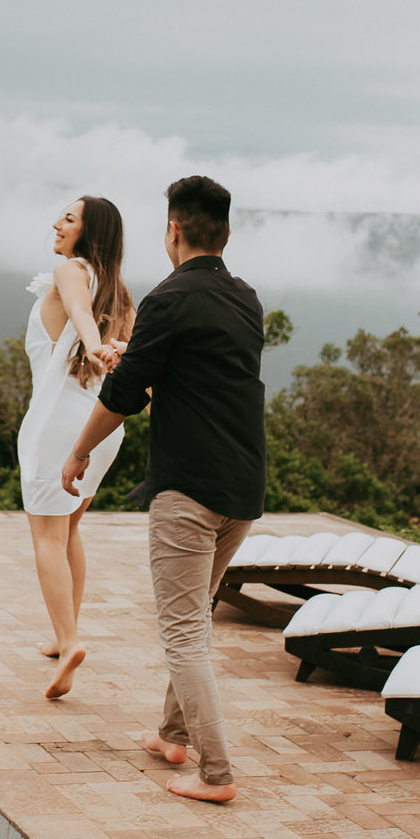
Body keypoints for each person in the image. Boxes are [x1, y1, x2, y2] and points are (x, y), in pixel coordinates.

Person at [62, 176, 266, 801]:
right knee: (195, 617)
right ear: (225, 232)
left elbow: (124, 396)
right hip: (242, 487)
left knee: (182, 632)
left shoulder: (169, 297)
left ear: (174, 229)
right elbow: (198, 376)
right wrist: (141, 354)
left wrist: (80, 450)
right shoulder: (245, 299)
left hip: (189, 487)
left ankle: (217, 772)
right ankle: (174, 736)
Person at [17, 196, 135, 700]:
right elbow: (138, 364)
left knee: (47, 536)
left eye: (68, 219)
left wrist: (93, 345)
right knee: (68, 531)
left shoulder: (70, 270)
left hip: (57, 424)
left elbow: (81, 313)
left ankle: (68, 643)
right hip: (101, 429)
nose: (56, 224)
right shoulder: (122, 296)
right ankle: (64, 635)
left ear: (89, 233)